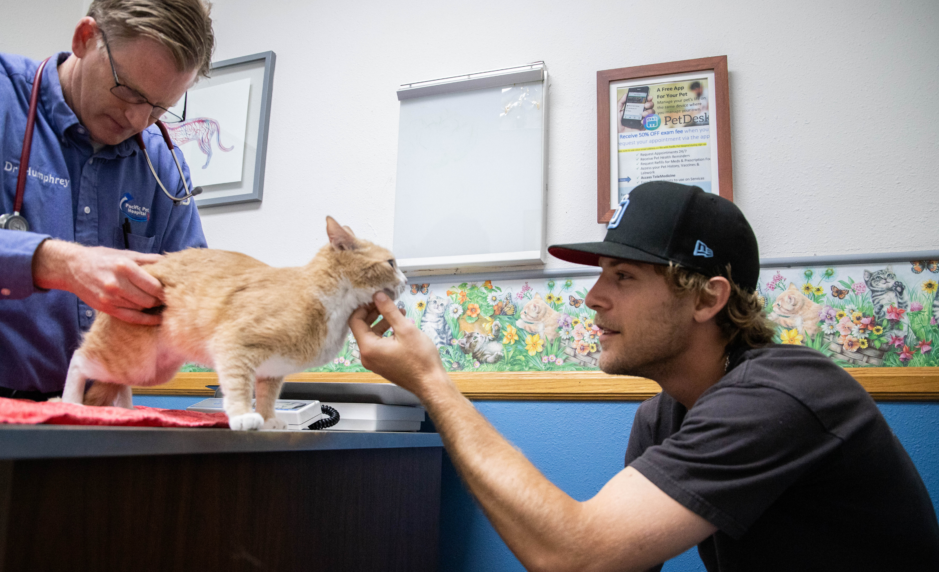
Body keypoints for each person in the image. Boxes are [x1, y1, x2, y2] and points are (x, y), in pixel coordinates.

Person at [349, 181, 939, 571]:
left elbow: (576, 554)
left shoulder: (781, 396)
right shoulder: (664, 413)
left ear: (708, 299)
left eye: (624, 276)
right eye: (601, 273)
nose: (593, 298)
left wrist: (432, 382)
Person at [0, 0, 215, 400]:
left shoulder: (163, 164)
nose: (137, 120)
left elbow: (194, 286)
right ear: (84, 38)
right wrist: (62, 264)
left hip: (89, 408)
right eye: (127, 91)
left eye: (158, 108)